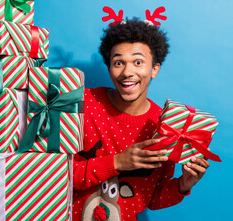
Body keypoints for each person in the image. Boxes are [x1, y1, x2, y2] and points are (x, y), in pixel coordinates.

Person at [72, 18, 210, 221]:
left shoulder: (166, 124)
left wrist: (183, 185)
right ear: (109, 67)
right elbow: (53, 174)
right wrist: (117, 162)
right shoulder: (82, 103)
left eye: (138, 62)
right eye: (118, 63)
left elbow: (152, 198)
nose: (127, 72)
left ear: (154, 69)